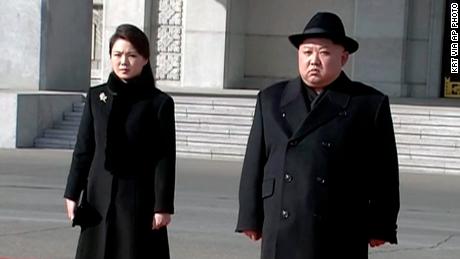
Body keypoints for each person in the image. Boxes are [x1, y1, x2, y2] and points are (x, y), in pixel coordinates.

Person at [236, 12, 400, 259]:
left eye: (324, 53)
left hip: (340, 226)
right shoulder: (271, 99)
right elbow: (255, 161)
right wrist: (249, 215)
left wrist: (382, 223)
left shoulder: (368, 104)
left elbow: (384, 171)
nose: (313, 60)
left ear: (343, 57)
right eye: (307, 52)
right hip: (282, 224)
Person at [64, 24, 176, 259]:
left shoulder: (159, 103)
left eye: (131, 55)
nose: (123, 61)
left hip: (138, 200)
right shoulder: (97, 97)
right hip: (98, 199)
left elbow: (164, 158)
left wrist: (162, 205)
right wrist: (72, 193)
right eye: (117, 55)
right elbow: (83, 149)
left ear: (144, 59)